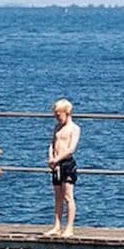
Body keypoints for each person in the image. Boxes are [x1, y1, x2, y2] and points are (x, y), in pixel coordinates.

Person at [45, 98, 81, 237]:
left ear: (67, 113)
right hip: (56, 164)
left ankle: (69, 227)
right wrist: (51, 158)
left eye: (59, 115)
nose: (57, 118)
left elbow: (71, 149)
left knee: (68, 196)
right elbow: (52, 143)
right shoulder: (57, 128)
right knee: (57, 196)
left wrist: (58, 158)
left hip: (66, 164)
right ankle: (57, 225)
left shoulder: (74, 129)